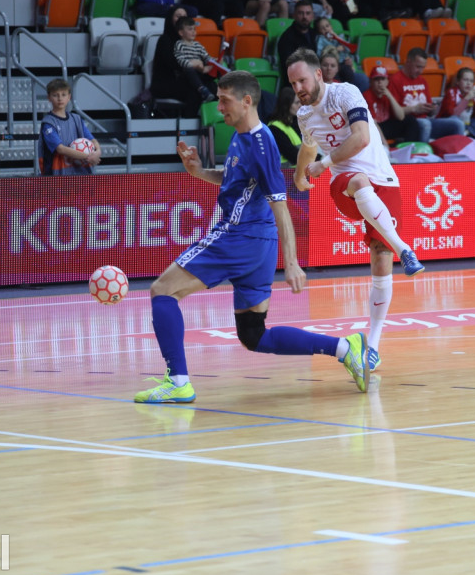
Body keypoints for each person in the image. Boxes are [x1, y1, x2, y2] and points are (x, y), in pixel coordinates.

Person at [134, 71, 375, 402]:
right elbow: (236, 180)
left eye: (224, 100)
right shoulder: (240, 136)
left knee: (162, 291)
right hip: (258, 244)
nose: (219, 107)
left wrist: (292, 263)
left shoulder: (261, 144)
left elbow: (281, 206)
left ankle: (178, 382)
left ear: (247, 101)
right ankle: (345, 347)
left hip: (238, 237)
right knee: (254, 335)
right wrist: (199, 172)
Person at [286, 48, 425, 373]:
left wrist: (323, 162)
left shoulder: (345, 93)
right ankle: (405, 249)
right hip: (345, 183)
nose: (298, 89)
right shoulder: (304, 115)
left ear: (318, 74)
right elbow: (308, 147)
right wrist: (299, 173)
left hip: (384, 180)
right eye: (293, 84)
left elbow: (362, 137)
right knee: (358, 180)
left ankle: (372, 346)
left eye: (302, 81)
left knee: (380, 256)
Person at [388, 48, 463, 142]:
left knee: (457, 124)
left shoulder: (422, 80)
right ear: (408, 62)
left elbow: (430, 111)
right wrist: (414, 109)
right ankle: (424, 154)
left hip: (426, 120)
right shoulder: (395, 80)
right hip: (408, 125)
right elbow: (393, 113)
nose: (420, 71)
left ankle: (458, 153)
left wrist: (432, 109)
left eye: (423, 67)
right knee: (425, 124)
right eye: (418, 67)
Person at [38, 78, 100, 175]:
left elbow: (92, 140)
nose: (60, 98)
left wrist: (98, 152)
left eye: (63, 95)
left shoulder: (77, 119)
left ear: (69, 97)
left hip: (80, 173)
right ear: (49, 98)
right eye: (55, 95)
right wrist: (89, 156)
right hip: (58, 175)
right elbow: (61, 149)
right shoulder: (48, 123)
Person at [150, 4, 201, 107]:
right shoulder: (165, 40)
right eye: (178, 16)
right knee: (195, 92)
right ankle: (189, 121)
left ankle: (212, 120)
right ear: (170, 19)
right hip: (165, 84)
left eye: (184, 16)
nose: (182, 19)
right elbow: (174, 64)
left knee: (213, 87)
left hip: (184, 80)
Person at [363, 66, 420, 143]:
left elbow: (400, 116)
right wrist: (385, 144)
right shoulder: (367, 96)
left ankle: (410, 147)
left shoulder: (389, 93)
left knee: (410, 120)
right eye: (376, 79)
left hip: (386, 125)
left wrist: (390, 96)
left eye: (383, 79)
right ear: (370, 82)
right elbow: (373, 123)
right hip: (373, 128)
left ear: (387, 82)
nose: (380, 82)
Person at [174, 16, 218, 105]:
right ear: (181, 33)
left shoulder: (198, 45)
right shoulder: (179, 44)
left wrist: (214, 61)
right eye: (190, 29)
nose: (194, 31)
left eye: (194, 29)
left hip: (200, 71)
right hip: (186, 74)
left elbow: (206, 57)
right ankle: (202, 89)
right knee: (189, 69)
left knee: (216, 69)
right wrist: (193, 65)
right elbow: (180, 60)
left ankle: (224, 91)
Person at [436, 67, 475, 138]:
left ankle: (470, 132)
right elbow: (452, 114)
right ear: (458, 81)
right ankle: (471, 133)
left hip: (466, 124)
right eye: (465, 80)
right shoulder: (451, 92)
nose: (468, 83)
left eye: (471, 81)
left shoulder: (472, 94)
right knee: (457, 122)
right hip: (448, 122)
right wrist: (466, 99)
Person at [277, 0, 318, 78]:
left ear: (312, 16)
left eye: (308, 13)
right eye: (301, 13)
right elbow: (290, 65)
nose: (304, 17)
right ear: (294, 15)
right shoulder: (287, 37)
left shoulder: (315, 33)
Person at [267, 86, 303, 165]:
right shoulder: (274, 129)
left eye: (300, 102)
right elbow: (293, 155)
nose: (300, 105)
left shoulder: (296, 123)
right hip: (285, 174)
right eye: (297, 103)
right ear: (286, 105)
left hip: (298, 173)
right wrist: (320, 159)